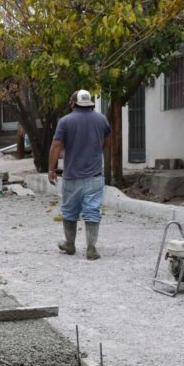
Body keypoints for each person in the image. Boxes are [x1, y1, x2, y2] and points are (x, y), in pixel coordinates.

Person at [48, 89, 111, 260]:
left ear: (73, 103)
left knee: (69, 211)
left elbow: (56, 145)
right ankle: (91, 248)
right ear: (89, 103)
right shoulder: (101, 119)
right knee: (92, 211)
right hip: (95, 176)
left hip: (72, 176)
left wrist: (51, 169)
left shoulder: (65, 121)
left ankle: (70, 244)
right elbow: (106, 142)